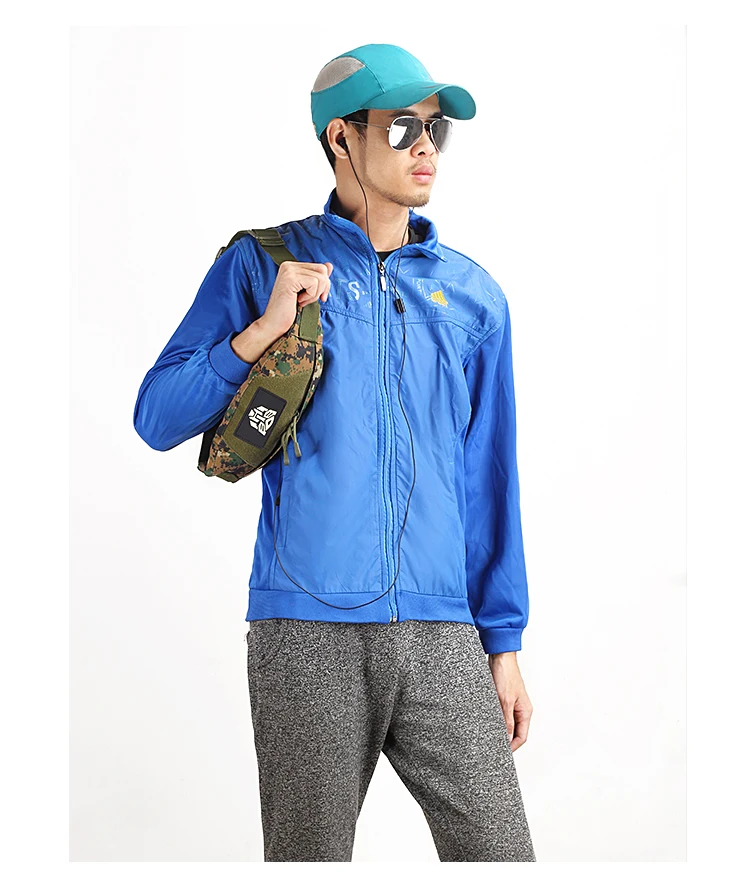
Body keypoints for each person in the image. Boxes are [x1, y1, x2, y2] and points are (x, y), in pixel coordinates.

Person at [134, 42, 536, 863]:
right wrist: (262, 330)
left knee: (500, 850)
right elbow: (157, 416)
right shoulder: (264, 263)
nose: (426, 148)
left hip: (442, 631)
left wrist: (503, 645)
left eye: (435, 130)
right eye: (402, 128)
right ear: (340, 137)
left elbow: (490, 477)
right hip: (304, 629)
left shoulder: (472, 296)